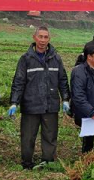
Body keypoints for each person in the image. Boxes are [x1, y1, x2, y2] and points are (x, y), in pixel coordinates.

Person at [8, 26, 70, 169]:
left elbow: (62, 80)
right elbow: (18, 81)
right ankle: (27, 163)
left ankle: (47, 161)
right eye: (40, 37)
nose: (43, 40)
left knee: (50, 135)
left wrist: (66, 99)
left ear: (49, 39)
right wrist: (14, 102)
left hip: (50, 104)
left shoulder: (56, 58)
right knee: (28, 136)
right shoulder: (26, 59)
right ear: (34, 37)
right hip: (31, 104)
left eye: (45, 37)